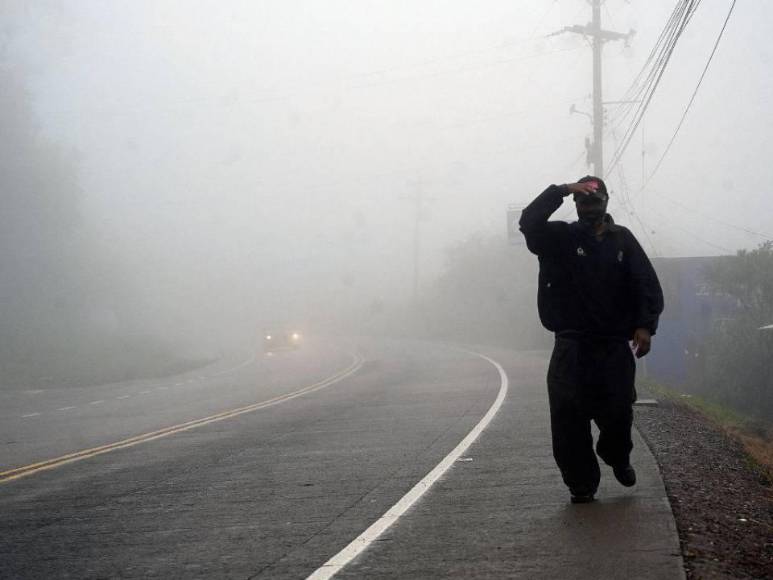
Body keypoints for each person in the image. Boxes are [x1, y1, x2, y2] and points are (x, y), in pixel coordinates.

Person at [519, 176, 664, 504]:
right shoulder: (559, 239)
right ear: (576, 204)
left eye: (595, 201)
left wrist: (645, 326)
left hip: (613, 347)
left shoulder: (622, 241)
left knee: (617, 414)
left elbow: (646, 284)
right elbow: (529, 221)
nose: (590, 208)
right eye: (583, 201)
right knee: (568, 419)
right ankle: (581, 483)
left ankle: (616, 456)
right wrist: (563, 189)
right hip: (571, 346)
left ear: (607, 202)